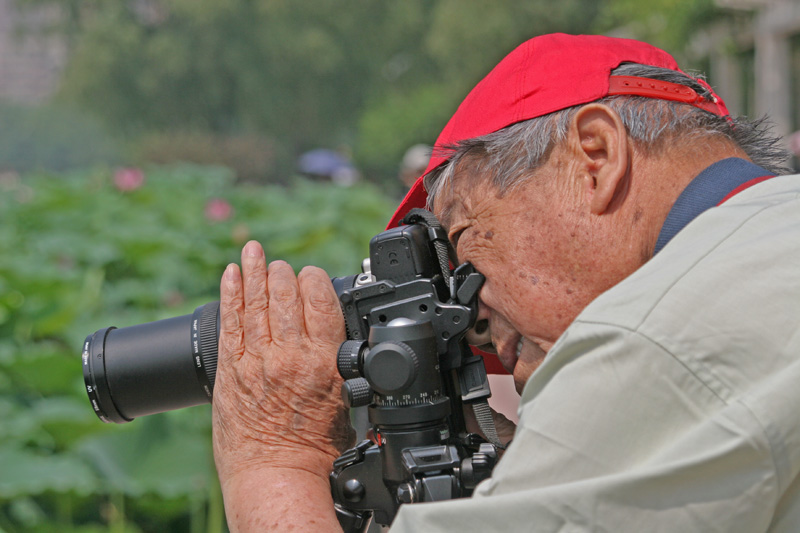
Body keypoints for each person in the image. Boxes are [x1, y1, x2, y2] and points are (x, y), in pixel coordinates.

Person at [211, 33, 800, 531]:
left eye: (465, 241)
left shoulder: (652, 337)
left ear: (595, 157)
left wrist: (273, 462)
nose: (474, 323)